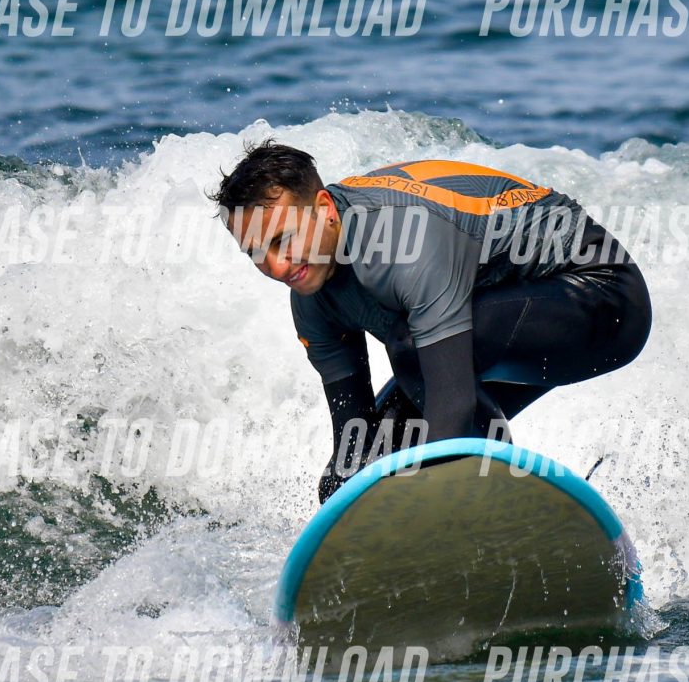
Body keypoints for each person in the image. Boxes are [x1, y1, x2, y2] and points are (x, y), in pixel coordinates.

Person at [214, 143, 651, 501]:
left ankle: (509, 511)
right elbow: (354, 438)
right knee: (370, 461)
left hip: (603, 297)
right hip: (500, 318)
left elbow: (452, 406)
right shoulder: (311, 300)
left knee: (414, 367)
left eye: (284, 240)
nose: (277, 266)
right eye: (256, 253)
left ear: (324, 208)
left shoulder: (403, 241)